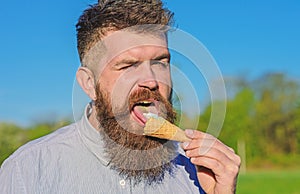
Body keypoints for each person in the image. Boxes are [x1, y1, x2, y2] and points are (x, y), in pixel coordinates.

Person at [0, 0, 241, 193]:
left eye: (160, 62)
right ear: (88, 83)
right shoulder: (28, 171)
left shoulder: (195, 171)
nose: (151, 81)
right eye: (128, 65)